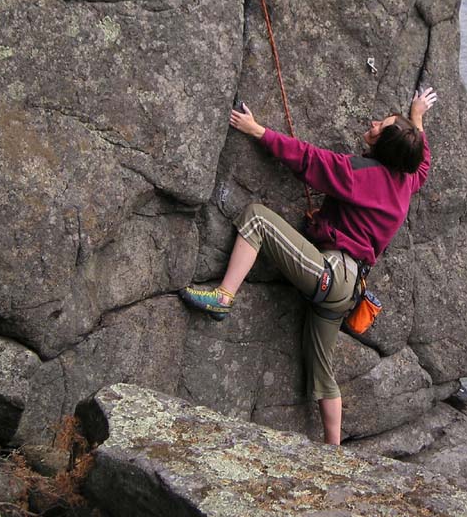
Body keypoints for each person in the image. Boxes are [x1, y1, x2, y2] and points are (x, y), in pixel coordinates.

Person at [179, 87, 438, 445]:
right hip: (347, 292)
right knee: (322, 372)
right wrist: (417, 117)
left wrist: (256, 130)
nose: (374, 123)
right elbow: (421, 162)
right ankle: (333, 453)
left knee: (256, 219)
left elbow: (308, 160)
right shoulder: (406, 180)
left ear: (384, 147)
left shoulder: (362, 174)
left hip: (332, 275)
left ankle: (224, 296)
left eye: (381, 127)